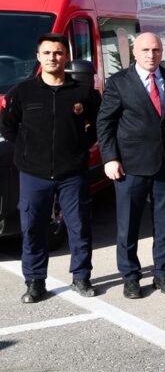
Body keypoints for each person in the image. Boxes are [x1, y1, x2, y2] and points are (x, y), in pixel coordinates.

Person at [0, 33, 100, 302]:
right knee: (32, 227)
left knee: (79, 227)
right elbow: (7, 126)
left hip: (72, 173)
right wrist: (26, 149)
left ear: (65, 57)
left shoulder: (82, 92)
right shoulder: (22, 92)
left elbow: (99, 125)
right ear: (38, 57)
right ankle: (35, 282)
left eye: (57, 53)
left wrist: (81, 147)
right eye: (47, 53)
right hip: (34, 174)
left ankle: (81, 277)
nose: (53, 58)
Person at [97, 32, 165, 298]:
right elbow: (105, 123)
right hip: (130, 166)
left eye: (156, 50)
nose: (151, 55)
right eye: (146, 50)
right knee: (128, 225)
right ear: (135, 52)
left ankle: (162, 274)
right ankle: (131, 277)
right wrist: (110, 158)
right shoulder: (119, 82)